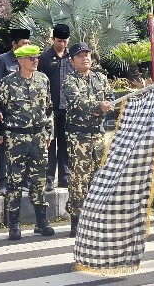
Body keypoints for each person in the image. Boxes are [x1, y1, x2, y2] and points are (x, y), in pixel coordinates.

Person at [0, 43, 55, 240]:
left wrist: (49, 132)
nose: (35, 61)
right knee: (14, 181)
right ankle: (14, 224)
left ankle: (41, 222)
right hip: (17, 137)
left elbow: (48, 108)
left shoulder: (43, 80)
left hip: (38, 137)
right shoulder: (8, 82)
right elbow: (0, 110)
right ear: (20, 61)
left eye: (36, 57)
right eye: (31, 58)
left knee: (39, 181)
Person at [61, 42, 112, 236]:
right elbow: (78, 102)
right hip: (78, 137)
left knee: (98, 177)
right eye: (80, 56)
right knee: (78, 179)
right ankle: (76, 219)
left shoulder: (100, 78)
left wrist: (102, 112)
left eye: (87, 54)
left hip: (98, 135)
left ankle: (96, 217)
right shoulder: (70, 80)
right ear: (72, 61)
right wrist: (99, 108)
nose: (85, 58)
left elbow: (111, 99)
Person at [0, 28, 31, 195]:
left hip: (25, 114)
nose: (27, 45)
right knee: (4, 147)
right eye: (23, 43)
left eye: (28, 43)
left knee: (25, 147)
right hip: (6, 114)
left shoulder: (29, 60)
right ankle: (2, 181)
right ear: (14, 45)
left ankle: (24, 180)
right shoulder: (3, 60)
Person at [41, 24, 71, 192]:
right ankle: (49, 177)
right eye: (59, 41)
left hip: (67, 108)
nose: (62, 44)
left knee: (65, 143)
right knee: (50, 143)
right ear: (53, 39)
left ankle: (65, 176)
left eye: (65, 41)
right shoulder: (45, 57)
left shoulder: (71, 57)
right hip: (51, 108)